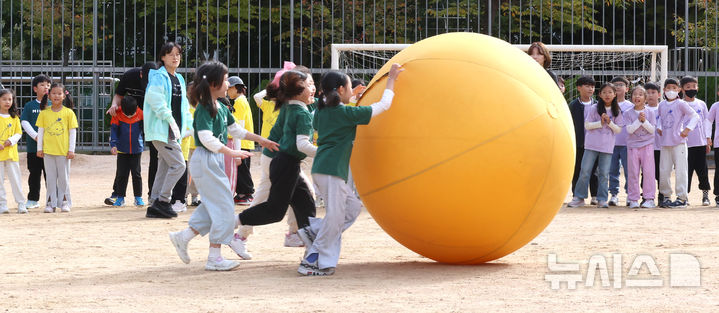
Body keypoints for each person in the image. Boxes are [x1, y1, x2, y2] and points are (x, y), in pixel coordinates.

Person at [168, 61, 278, 271]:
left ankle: (183, 237)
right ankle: (214, 257)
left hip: (212, 160)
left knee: (213, 205)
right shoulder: (205, 108)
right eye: (225, 79)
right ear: (212, 83)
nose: (228, 84)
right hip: (206, 159)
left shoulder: (221, 106)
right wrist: (232, 152)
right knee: (225, 206)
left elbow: (236, 130)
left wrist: (261, 140)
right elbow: (206, 138)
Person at [296, 64, 403, 276]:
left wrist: (351, 97)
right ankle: (313, 259)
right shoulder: (345, 113)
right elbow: (384, 105)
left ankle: (312, 232)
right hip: (331, 170)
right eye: (348, 87)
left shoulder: (322, 111)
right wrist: (391, 79)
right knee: (335, 217)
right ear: (342, 90)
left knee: (352, 208)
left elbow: (334, 111)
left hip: (323, 169)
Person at [228, 70, 317, 259]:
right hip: (277, 158)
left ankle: (300, 237)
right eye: (310, 84)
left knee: (303, 198)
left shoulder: (293, 105)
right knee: (272, 205)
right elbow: (302, 142)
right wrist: (326, 153)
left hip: (281, 159)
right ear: (297, 89)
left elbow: (316, 109)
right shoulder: (297, 109)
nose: (314, 88)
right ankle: (236, 231)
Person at [143, 42, 193, 219]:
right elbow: (154, 99)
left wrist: (190, 126)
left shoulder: (179, 79)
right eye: (171, 54)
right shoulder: (158, 76)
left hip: (174, 130)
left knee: (164, 167)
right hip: (162, 130)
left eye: (178, 54)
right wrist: (169, 118)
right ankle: (163, 201)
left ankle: (155, 202)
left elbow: (184, 107)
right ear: (162, 57)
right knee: (179, 165)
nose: (175, 57)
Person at [105, 62, 158, 205]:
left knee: (155, 156)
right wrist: (114, 105)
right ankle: (117, 193)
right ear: (141, 74)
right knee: (123, 162)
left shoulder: (160, 78)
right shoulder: (129, 76)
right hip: (129, 115)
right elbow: (118, 95)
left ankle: (153, 195)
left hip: (150, 117)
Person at [568, 83, 624, 208]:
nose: (607, 95)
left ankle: (602, 199)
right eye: (604, 92)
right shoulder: (594, 108)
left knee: (604, 174)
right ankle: (579, 197)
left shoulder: (617, 111)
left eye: (610, 92)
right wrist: (600, 122)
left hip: (607, 147)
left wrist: (609, 123)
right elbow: (587, 125)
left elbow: (619, 130)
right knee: (585, 171)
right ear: (599, 94)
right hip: (591, 145)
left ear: (615, 94)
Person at [656, 78, 700, 208]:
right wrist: (659, 127)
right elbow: (659, 118)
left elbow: (695, 116)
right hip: (665, 143)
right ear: (664, 90)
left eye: (674, 88)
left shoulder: (681, 103)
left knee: (681, 171)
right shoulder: (662, 105)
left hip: (679, 143)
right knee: (664, 170)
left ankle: (682, 198)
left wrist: (687, 130)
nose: (671, 91)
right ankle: (666, 196)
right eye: (668, 88)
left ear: (679, 90)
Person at [36, 83, 78, 213]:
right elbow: (41, 132)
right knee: (50, 177)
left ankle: (64, 202)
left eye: (59, 93)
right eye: (53, 93)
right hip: (48, 151)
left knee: (64, 178)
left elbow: (72, 132)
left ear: (64, 96)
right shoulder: (44, 113)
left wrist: (71, 149)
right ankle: (50, 203)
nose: (56, 96)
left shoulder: (69, 113)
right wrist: (39, 148)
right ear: (48, 95)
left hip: (63, 152)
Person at [20, 74, 51, 210]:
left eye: (48, 85)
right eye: (42, 85)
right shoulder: (29, 105)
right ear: (35, 89)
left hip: (51, 148)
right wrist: (36, 136)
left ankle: (52, 199)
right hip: (34, 148)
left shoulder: (53, 105)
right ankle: (33, 199)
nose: (46, 87)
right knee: (34, 174)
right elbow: (24, 121)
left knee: (50, 175)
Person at [623, 86, 657, 208]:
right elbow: (629, 130)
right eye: (634, 94)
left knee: (648, 172)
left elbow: (652, 130)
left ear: (645, 98)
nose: (637, 97)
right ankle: (633, 199)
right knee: (633, 172)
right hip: (633, 147)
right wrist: (639, 121)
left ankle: (649, 198)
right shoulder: (627, 113)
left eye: (640, 94)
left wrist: (644, 121)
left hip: (647, 145)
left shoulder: (651, 112)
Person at [568, 76, 599, 204]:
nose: (590, 89)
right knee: (578, 170)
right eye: (587, 86)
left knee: (594, 170)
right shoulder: (573, 105)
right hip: (579, 143)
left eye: (592, 86)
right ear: (579, 88)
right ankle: (577, 195)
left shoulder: (597, 105)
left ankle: (595, 196)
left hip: (594, 144)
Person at [681, 76, 712, 206]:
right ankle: (684, 196)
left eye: (694, 86)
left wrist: (707, 139)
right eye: (688, 87)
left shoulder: (701, 104)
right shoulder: (680, 104)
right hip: (685, 144)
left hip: (700, 143)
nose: (691, 89)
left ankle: (705, 196)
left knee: (702, 171)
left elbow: (706, 121)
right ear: (682, 89)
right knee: (686, 172)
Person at [109, 97, 144, 207]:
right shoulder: (117, 114)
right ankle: (120, 198)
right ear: (122, 109)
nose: (129, 116)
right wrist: (113, 145)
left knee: (136, 174)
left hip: (136, 149)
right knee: (121, 174)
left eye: (132, 114)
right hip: (122, 149)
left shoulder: (141, 114)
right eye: (127, 114)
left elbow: (146, 129)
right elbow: (113, 130)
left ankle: (138, 197)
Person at [227, 76, 255, 205]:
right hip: (243, 141)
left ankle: (247, 193)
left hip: (242, 141)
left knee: (242, 170)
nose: (227, 92)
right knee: (241, 169)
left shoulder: (240, 102)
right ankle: (242, 193)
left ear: (235, 88)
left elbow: (239, 125)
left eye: (229, 89)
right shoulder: (241, 101)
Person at [0, 89, 27, 214]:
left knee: (15, 179)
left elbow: (18, 132)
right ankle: (2, 205)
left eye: (9, 99)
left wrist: (11, 140)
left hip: (11, 153)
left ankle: (21, 203)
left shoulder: (14, 117)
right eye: (4, 99)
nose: (7, 102)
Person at [608, 76, 633, 206]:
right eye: (615, 85)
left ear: (627, 89)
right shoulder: (608, 105)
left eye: (621, 85)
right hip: (611, 143)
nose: (618, 87)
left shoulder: (631, 106)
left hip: (627, 144)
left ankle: (630, 194)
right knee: (612, 170)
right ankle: (614, 194)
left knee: (630, 171)